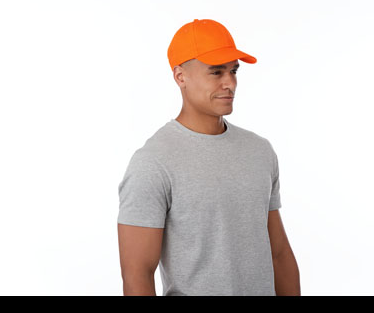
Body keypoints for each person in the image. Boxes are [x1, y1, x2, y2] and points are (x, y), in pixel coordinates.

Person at [117, 18, 300, 296]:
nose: (230, 83)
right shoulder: (153, 163)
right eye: (216, 72)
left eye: (233, 71)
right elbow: (136, 275)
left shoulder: (259, 151)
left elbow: (279, 253)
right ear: (180, 76)